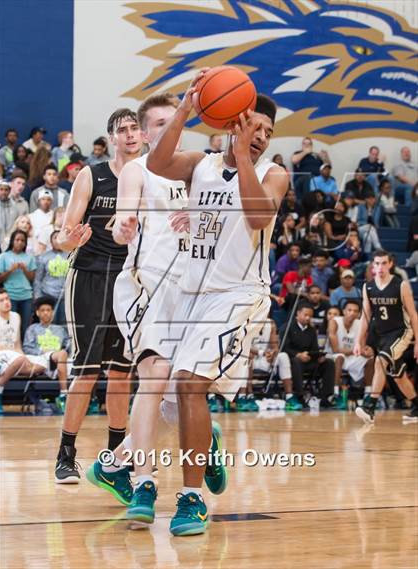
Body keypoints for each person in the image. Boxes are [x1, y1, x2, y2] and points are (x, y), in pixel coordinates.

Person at [147, 80, 288, 535]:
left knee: (189, 385)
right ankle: (209, 443)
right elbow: (156, 163)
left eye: (268, 130)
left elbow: (259, 217)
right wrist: (187, 108)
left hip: (241, 296)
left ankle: (191, 500)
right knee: (174, 402)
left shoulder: (273, 172)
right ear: (233, 121)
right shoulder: (200, 165)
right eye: (254, 125)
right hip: (194, 295)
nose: (262, 135)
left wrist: (246, 154)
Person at [87, 93, 228, 515]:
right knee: (155, 378)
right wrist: (125, 223)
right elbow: (124, 212)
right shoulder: (138, 168)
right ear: (145, 132)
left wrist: (204, 220)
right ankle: (143, 482)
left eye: (173, 121)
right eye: (159, 124)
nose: (168, 129)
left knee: (178, 397)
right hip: (144, 287)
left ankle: (118, 464)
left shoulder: (204, 168)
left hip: (194, 292)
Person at [54, 108, 142, 483]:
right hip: (90, 276)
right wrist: (68, 239)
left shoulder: (151, 178)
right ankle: (65, 454)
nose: (130, 134)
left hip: (133, 281)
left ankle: (115, 460)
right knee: (87, 372)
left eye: (135, 128)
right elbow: (60, 237)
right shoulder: (92, 175)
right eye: (122, 130)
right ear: (111, 138)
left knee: (122, 375)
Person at [354, 250, 418, 423]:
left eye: (383, 263)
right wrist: (358, 341)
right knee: (398, 376)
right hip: (382, 335)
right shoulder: (368, 287)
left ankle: (370, 406)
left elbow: (413, 315)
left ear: (390, 264)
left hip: (401, 332)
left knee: (380, 361)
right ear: (372, 266)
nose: (380, 267)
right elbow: (365, 317)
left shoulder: (401, 285)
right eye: (377, 263)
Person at [0, 287, 45, 414]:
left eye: (7, 298)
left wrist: (24, 358)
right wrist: (20, 358)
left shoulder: (16, 316)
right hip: (0, 354)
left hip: (14, 356)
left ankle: (7, 372)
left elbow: (17, 343)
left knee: (42, 364)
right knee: (20, 360)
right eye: (1, 300)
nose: (6, 302)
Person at [279, 303, 335, 408]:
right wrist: (298, 354)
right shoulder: (287, 327)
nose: (308, 318)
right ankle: (300, 396)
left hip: (309, 359)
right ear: (298, 313)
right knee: (296, 362)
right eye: (305, 315)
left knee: (329, 363)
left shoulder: (311, 330)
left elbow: (314, 348)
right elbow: (283, 347)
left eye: (310, 316)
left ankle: (326, 397)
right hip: (292, 360)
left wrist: (318, 356)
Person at [23, 297, 70, 410]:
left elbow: (69, 346)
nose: (46, 313)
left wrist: (63, 352)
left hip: (58, 358)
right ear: (37, 313)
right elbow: (27, 348)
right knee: (62, 354)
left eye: (48, 310)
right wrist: (42, 351)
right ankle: (64, 394)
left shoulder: (60, 329)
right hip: (40, 358)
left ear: (53, 312)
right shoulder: (32, 329)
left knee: (65, 356)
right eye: (43, 310)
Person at [327, 300, 374, 409]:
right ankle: (336, 394)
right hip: (332, 356)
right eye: (349, 310)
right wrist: (358, 351)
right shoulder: (334, 322)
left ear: (359, 314)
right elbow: (335, 349)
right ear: (343, 311)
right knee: (339, 357)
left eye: (355, 311)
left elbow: (362, 347)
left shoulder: (360, 324)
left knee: (370, 359)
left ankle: (368, 394)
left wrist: (367, 351)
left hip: (352, 356)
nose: (352, 313)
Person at [0, 230, 36, 337]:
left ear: (25, 243)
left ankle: (25, 348)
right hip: (10, 296)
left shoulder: (30, 257)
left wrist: (24, 269)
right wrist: (11, 270)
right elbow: (0, 278)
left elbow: (32, 278)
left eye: (22, 240)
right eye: (17, 240)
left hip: (26, 296)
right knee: (11, 325)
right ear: (12, 241)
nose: (20, 242)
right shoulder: (3, 256)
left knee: (26, 325)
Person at [34, 230, 69, 324]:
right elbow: (38, 279)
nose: (57, 240)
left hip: (65, 296)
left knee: (64, 323)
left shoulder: (70, 256)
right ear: (50, 241)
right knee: (49, 322)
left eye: (59, 237)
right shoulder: (43, 257)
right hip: (48, 295)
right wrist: (38, 297)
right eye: (55, 237)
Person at [0, 180, 18, 250]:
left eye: (6, 190)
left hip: (10, 242)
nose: (3, 192)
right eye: (1, 189)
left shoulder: (15, 206)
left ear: (9, 191)